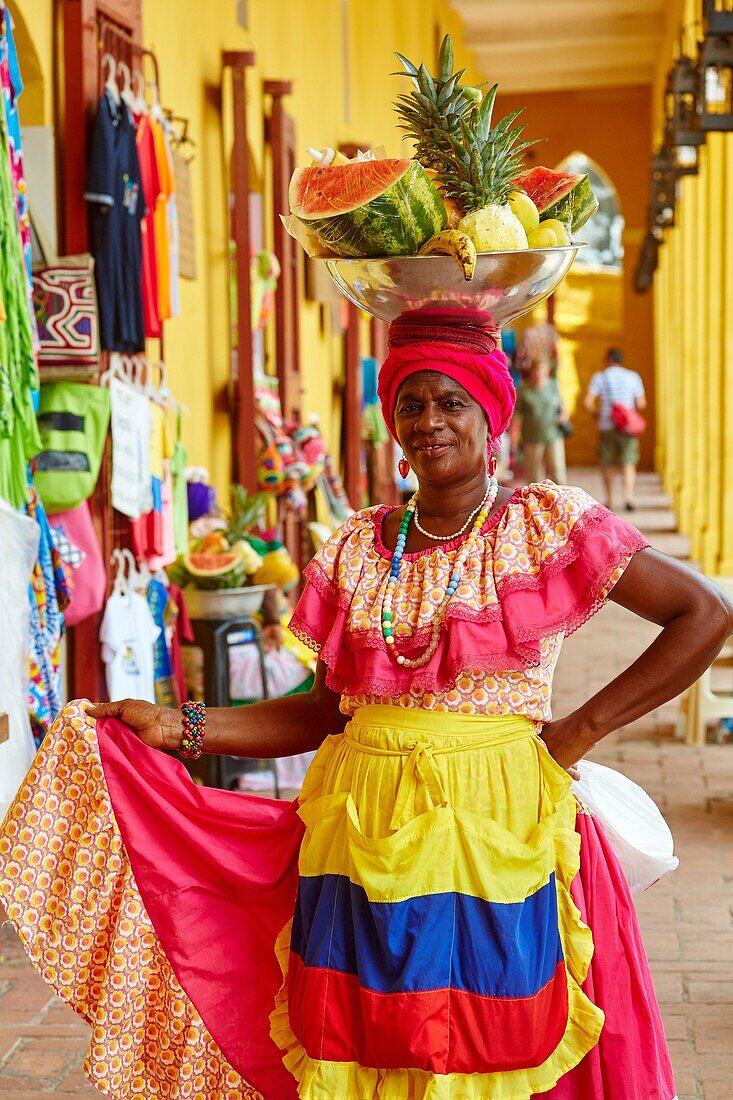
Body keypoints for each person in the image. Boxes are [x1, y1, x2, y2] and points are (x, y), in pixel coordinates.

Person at [3, 309, 732, 1100]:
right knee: (364, 1043)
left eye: (450, 403)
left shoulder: (539, 525)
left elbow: (703, 613)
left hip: (497, 824)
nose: (429, 422)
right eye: (411, 405)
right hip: (357, 828)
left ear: (490, 414)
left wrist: (572, 735)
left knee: (490, 1045)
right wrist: (180, 723)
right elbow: (323, 713)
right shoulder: (357, 546)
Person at [585, 347, 646, 512]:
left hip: (607, 426)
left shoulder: (600, 377)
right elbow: (641, 403)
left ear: (608, 360)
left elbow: (588, 402)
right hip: (627, 428)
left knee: (607, 463)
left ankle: (609, 499)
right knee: (628, 462)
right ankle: (628, 498)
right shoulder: (633, 377)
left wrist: (597, 414)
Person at [514, 355, 568, 484]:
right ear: (532, 371)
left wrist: (563, 416)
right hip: (532, 438)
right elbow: (516, 416)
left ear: (547, 371)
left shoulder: (553, 386)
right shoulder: (523, 389)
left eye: (542, 370)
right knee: (534, 475)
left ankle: (562, 501)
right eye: (536, 370)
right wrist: (514, 440)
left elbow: (562, 407)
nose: (539, 373)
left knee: (558, 471)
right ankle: (537, 502)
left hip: (553, 435)